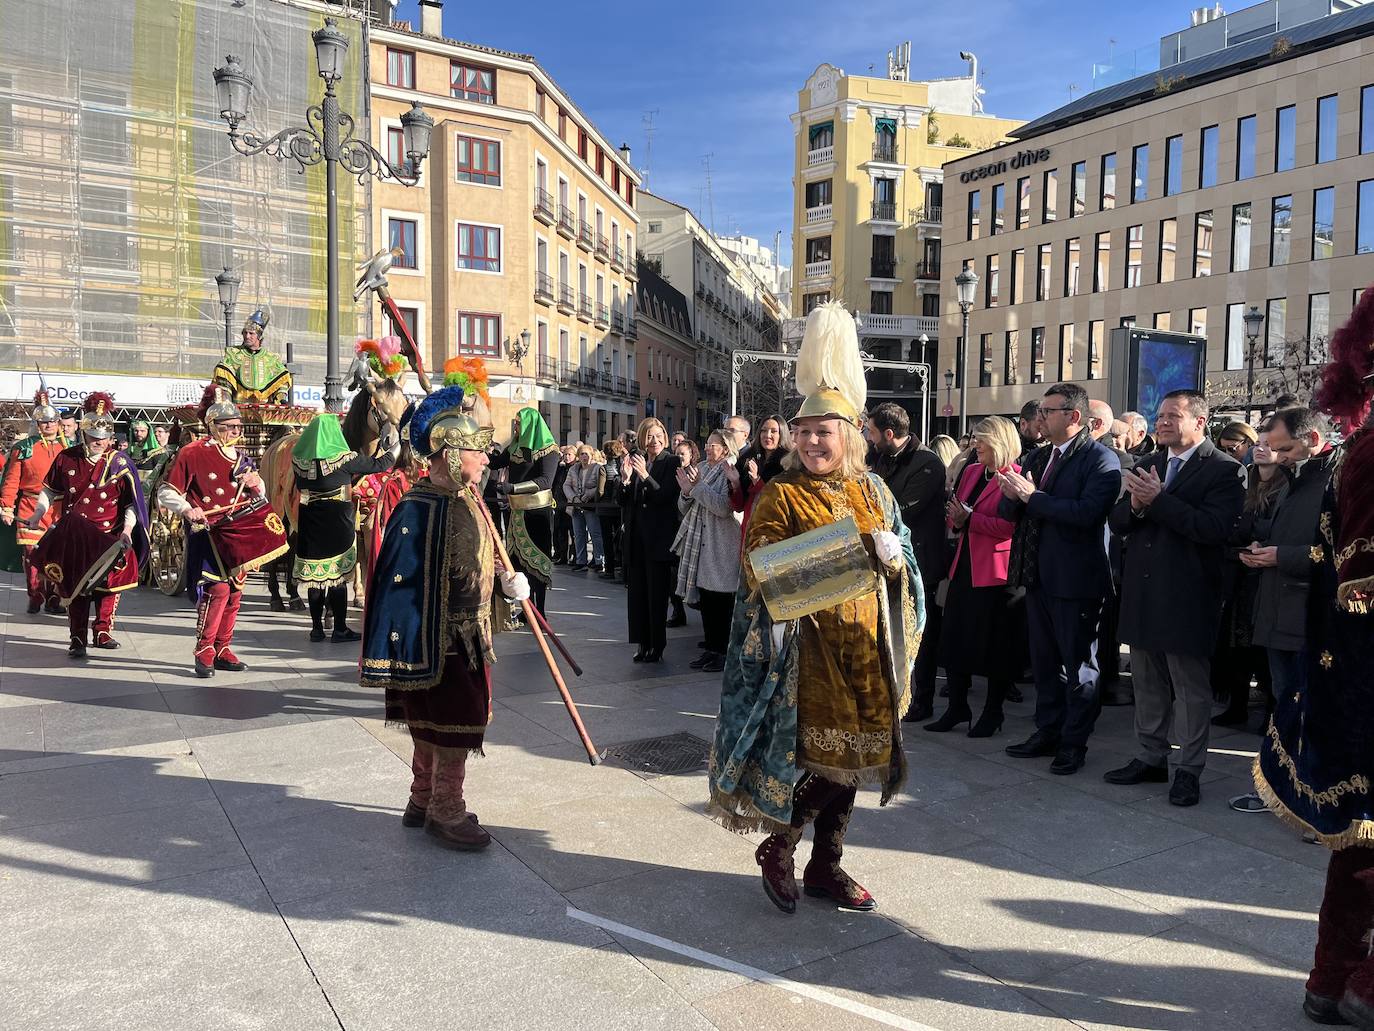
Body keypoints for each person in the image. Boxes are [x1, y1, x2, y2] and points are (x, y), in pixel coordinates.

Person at [708, 301, 924, 914]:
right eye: (803, 434)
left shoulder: (874, 488)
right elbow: (761, 568)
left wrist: (894, 554)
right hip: (809, 653)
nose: (809, 442)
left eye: (821, 433)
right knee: (831, 759)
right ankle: (780, 845)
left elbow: (903, 553)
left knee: (859, 756)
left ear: (848, 436)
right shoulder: (779, 494)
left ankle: (827, 865)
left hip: (868, 644)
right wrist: (857, 551)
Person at [1251, 294, 1374, 1029]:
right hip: (1363, 668)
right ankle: (1357, 984)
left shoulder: (1359, 449)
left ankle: (1332, 980)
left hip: (1350, 672)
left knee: (1361, 835)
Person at [361, 383, 529, 852]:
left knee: (440, 718)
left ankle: (422, 797)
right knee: (450, 719)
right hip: (439, 640)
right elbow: (405, 580)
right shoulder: (420, 508)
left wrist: (506, 581)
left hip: (467, 631)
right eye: (478, 453)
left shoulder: (466, 500)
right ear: (453, 455)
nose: (486, 461)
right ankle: (444, 807)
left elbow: (475, 560)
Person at [1104, 390, 1244, 806]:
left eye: (1173, 416)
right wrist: (1138, 506)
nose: (1162, 422)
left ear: (1199, 422)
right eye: (1159, 415)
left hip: (1189, 595)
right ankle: (1150, 756)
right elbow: (1119, 520)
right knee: (1146, 682)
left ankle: (1189, 769)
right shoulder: (1149, 463)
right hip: (1144, 592)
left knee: (1189, 690)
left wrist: (1159, 502)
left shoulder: (1225, 470)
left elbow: (1214, 529)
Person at [998, 382, 1122, 776]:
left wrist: (1032, 497)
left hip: (1076, 579)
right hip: (1036, 574)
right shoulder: (1037, 456)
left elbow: (1085, 514)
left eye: (1048, 412)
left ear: (1074, 416)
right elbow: (1010, 511)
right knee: (1045, 662)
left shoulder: (1101, 460)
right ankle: (1046, 730)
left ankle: (1074, 742)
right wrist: (1011, 491)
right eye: (1041, 412)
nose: (1040, 418)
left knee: (1079, 663)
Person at [1225, 408, 1334, 814]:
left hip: (1310, 617)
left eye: (1284, 448)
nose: (1278, 456)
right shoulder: (1298, 477)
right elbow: (1289, 532)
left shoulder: (1335, 479)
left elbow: (1345, 553)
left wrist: (1282, 556)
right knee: (1283, 707)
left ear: (1312, 440)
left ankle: (1314, 801)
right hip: (1277, 610)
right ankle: (1284, 791)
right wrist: (1263, 549)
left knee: (1308, 712)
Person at [158, 386, 285, 677]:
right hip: (207, 531)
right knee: (218, 589)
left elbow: (259, 495)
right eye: (228, 427)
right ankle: (204, 649)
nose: (235, 431)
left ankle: (223, 647)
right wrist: (187, 509)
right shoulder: (193, 453)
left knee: (236, 591)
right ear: (212, 426)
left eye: (237, 426)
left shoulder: (242, 457)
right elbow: (167, 492)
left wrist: (256, 483)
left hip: (237, 531)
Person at [29, 393, 150, 656]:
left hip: (110, 535)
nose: (99, 442)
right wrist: (39, 512)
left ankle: (103, 630)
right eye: (94, 437)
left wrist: (128, 530)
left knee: (108, 587)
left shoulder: (120, 462)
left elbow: (131, 503)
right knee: (77, 588)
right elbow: (50, 490)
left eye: (104, 438)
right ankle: (77, 638)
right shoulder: (67, 458)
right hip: (76, 536)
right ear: (84, 434)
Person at [928, 416, 1024, 736]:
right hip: (964, 565)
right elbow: (956, 512)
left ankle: (993, 712)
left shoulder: (1015, 478)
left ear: (999, 441)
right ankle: (957, 707)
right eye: (974, 439)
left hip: (996, 574)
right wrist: (958, 520)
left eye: (981, 440)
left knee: (995, 646)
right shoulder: (971, 471)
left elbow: (1009, 529)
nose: (975, 445)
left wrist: (970, 519)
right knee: (953, 638)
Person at [866, 402, 946, 723]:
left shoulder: (928, 464)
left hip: (920, 561)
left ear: (888, 434)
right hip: (885, 561)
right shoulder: (880, 457)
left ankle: (921, 698)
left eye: (872, 433)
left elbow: (900, 509)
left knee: (919, 633)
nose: (869, 440)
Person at [291, 412, 397, 642]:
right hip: (337, 520)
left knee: (315, 577)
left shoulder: (298, 459)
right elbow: (381, 464)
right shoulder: (344, 459)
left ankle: (317, 628)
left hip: (309, 519)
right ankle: (339, 628)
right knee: (337, 576)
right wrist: (395, 446)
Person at [673, 429, 742, 672]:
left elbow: (724, 508)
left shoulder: (730, 470)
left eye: (714, 444)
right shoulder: (701, 467)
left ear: (726, 447)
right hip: (699, 540)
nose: (708, 448)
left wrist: (697, 488)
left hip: (721, 542)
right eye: (708, 444)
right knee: (706, 600)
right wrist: (685, 491)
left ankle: (723, 652)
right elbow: (684, 506)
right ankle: (711, 649)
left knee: (721, 600)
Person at [1, 385, 69, 614]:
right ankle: (35, 594)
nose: (48, 425)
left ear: (58, 423)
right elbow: (11, 480)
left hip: (59, 509)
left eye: (52, 421)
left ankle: (53, 597)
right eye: (44, 421)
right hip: (30, 507)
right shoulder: (23, 448)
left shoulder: (68, 448)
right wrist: (7, 507)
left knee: (58, 556)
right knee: (32, 555)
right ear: (37, 423)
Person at [1087, 399, 1136, 704]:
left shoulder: (1119, 460)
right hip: (1083, 555)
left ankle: (1105, 682)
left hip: (1107, 555)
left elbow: (1110, 511)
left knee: (1103, 625)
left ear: (1096, 425)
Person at [488, 408, 559, 614]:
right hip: (516, 512)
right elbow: (495, 462)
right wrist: (480, 447)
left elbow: (546, 481)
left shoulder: (549, 449)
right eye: (515, 423)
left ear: (531, 424)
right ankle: (526, 611)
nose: (516, 427)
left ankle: (540, 611)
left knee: (537, 565)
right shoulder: (515, 447)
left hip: (537, 513)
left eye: (519, 424)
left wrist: (513, 488)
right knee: (517, 564)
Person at [621, 417, 680, 662]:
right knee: (637, 594)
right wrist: (625, 479)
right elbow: (624, 502)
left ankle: (657, 644)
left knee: (656, 595)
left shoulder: (671, 461)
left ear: (665, 439)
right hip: (637, 539)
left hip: (659, 539)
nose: (654, 441)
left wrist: (645, 475)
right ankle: (642, 642)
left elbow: (666, 496)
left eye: (658, 436)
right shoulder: (637, 461)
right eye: (649, 436)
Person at [213, 308, 293, 404]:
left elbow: (282, 380)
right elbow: (223, 379)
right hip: (237, 405)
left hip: (265, 406)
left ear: (259, 336)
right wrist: (226, 401)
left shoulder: (271, 357)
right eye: (245, 333)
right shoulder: (233, 353)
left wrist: (281, 397)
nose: (247, 336)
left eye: (251, 333)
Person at [732, 415, 792, 533]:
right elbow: (738, 506)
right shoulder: (747, 459)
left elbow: (782, 502)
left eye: (773, 431)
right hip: (749, 528)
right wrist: (735, 483)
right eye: (763, 430)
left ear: (782, 434)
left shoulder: (789, 463)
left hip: (774, 529)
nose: (767, 435)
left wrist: (757, 481)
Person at [564, 444, 606, 572]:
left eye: (586, 454)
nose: (584, 456)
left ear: (591, 455)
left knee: (595, 534)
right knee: (578, 534)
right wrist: (574, 498)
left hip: (590, 506)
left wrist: (588, 495)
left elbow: (600, 486)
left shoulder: (597, 468)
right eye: (581, 454)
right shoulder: (573, 469)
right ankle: (580, 561)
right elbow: (566, 485)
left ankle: (599, 561)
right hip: (576, 506)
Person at [596, 439, 626, 581]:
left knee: (607, 540)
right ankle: (620, 567)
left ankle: (609, 570)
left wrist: (596, 500)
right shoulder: (623, 468)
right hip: (619, 509)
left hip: (605, 509)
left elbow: (600, 491)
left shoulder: (603, 468)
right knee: (619, 539)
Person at [551, 445, 575, 565]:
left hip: (570, 503)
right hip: (559, 503)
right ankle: (562, 555)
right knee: (560, 530)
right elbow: (555, 483)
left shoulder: (575, 469)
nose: (566, 457)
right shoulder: (561, 469)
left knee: (573, 532)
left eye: (569, 454)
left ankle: (575, 557)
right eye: (565, 454)